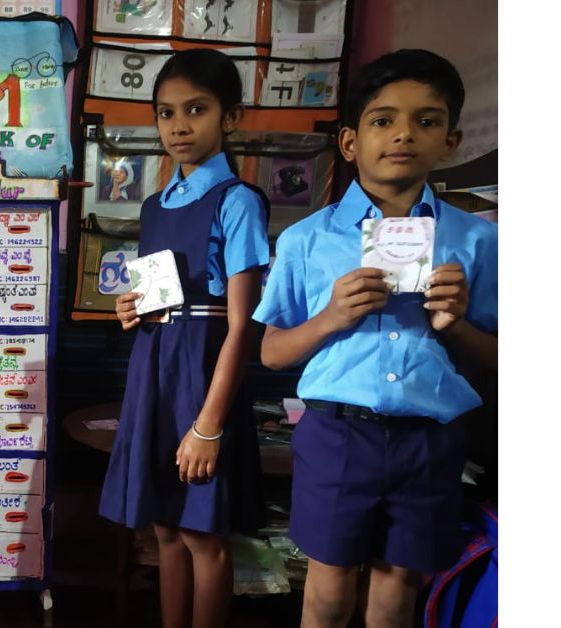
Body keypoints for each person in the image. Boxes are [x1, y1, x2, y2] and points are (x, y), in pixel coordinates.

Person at [253, 49, 497, 628]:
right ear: (349, 142)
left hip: (431, 439)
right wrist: (330, 317)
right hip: (338, 434)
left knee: (397, 587)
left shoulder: (477, 241)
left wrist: (456, 324)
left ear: (452, 140)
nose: (404, 135)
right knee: (328, 585)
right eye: (383, 120)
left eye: (427, 120)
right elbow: (270, 350)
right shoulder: (307, 241)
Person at [99, 48, 270, 628]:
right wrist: (134, 308)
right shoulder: (154, 205)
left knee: (204, 536)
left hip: (204, 375)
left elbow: (245, 324)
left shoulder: (238, 201)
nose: (178, 126)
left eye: (196, 109)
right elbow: (162, 294)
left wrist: (209, 425)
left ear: (231, 117)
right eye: (166, 113)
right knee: (166, 529)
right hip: (156, 369)